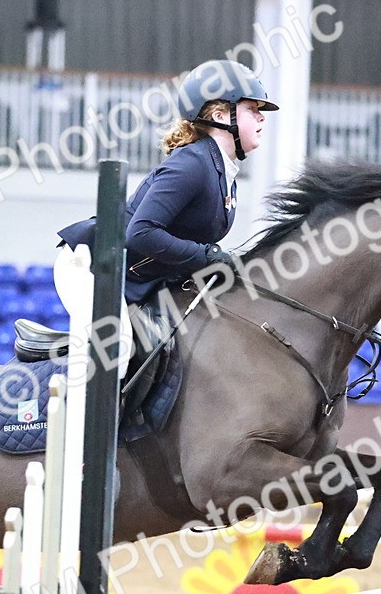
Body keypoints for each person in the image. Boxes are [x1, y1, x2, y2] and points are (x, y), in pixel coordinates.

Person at [53, 60, 277, 375]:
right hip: (91, 264)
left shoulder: (223, 172)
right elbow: (141, 233)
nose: (261, 118)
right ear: (220, 115)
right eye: (253, 109)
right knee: (116, 353)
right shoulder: (192, 163)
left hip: (136, 276)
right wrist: (208, 255)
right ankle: (73, 420)